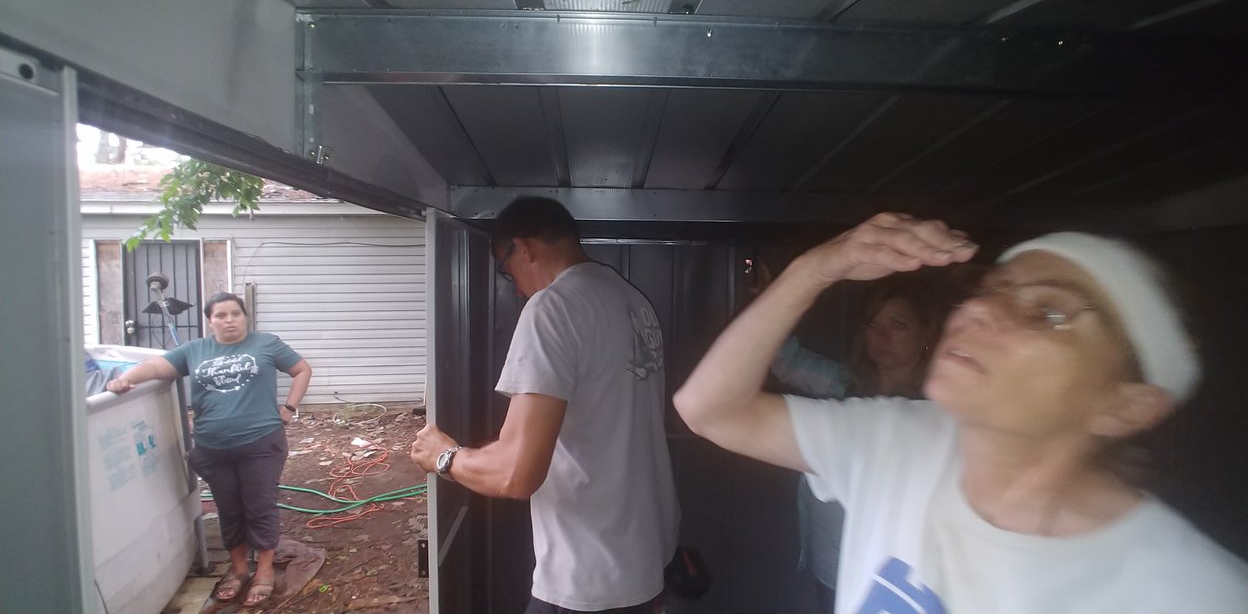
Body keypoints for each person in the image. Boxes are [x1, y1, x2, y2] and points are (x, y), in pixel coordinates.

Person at [674, 213, 1248, 612]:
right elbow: (709, 409)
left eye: (1049, 313)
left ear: (1127, 405)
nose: (978, 311)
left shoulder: (1194, 595)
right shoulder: (895, 438)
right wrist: (817, 267)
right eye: (993, 290)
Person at [410, 197, 679, 614]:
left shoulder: (553, 307)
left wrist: (443, 457)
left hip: (586, 578)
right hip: (647, 559)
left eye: (507, 270)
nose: (516, 288)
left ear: (523, 248)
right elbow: (593, 421)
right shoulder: (632, 300)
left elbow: (516, 475)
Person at [758, 267, 948, 612]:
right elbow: (785, 359)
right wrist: (771, 298)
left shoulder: (943, 412)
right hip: (831, 563)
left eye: (898, 324)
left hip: (903, 580)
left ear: (926, 334)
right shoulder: (842, 386)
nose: (881, 336)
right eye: (873, 323)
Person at [106, 292, 312, 608]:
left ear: (245, 317)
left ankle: (264, 571)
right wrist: (125, 379)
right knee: (228, 508)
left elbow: (302, 369)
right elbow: (157, 367)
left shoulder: (266, 344)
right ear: (210, 321)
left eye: (235, 314)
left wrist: (289, 408)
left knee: (260, 507)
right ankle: (239, 569)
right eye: (220, 315)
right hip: (212, 448)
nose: (229, 320)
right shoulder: (195, 350)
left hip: (261, 444)